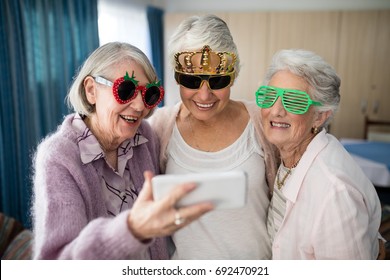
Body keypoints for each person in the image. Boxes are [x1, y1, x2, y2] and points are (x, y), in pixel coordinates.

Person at [31, 42, 213, 260]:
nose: (139, 107)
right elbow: (57, 263)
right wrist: (133, 229)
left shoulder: (145, 138)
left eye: (149, 94)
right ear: (91, 91)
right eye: (126, 90)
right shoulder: (58, 157)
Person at [148, 14, 278, 259]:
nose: (204, 95)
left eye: (217, 80)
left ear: (233, 76)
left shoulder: (262, 124)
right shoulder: (159, 128)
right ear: (177, 77)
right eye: (191, 80)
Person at [256, 48, 383, 259]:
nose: (276, 110)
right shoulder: (291, 153)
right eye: (269, 96)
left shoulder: (334, 193)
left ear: (319, 117)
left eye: (294, 101)